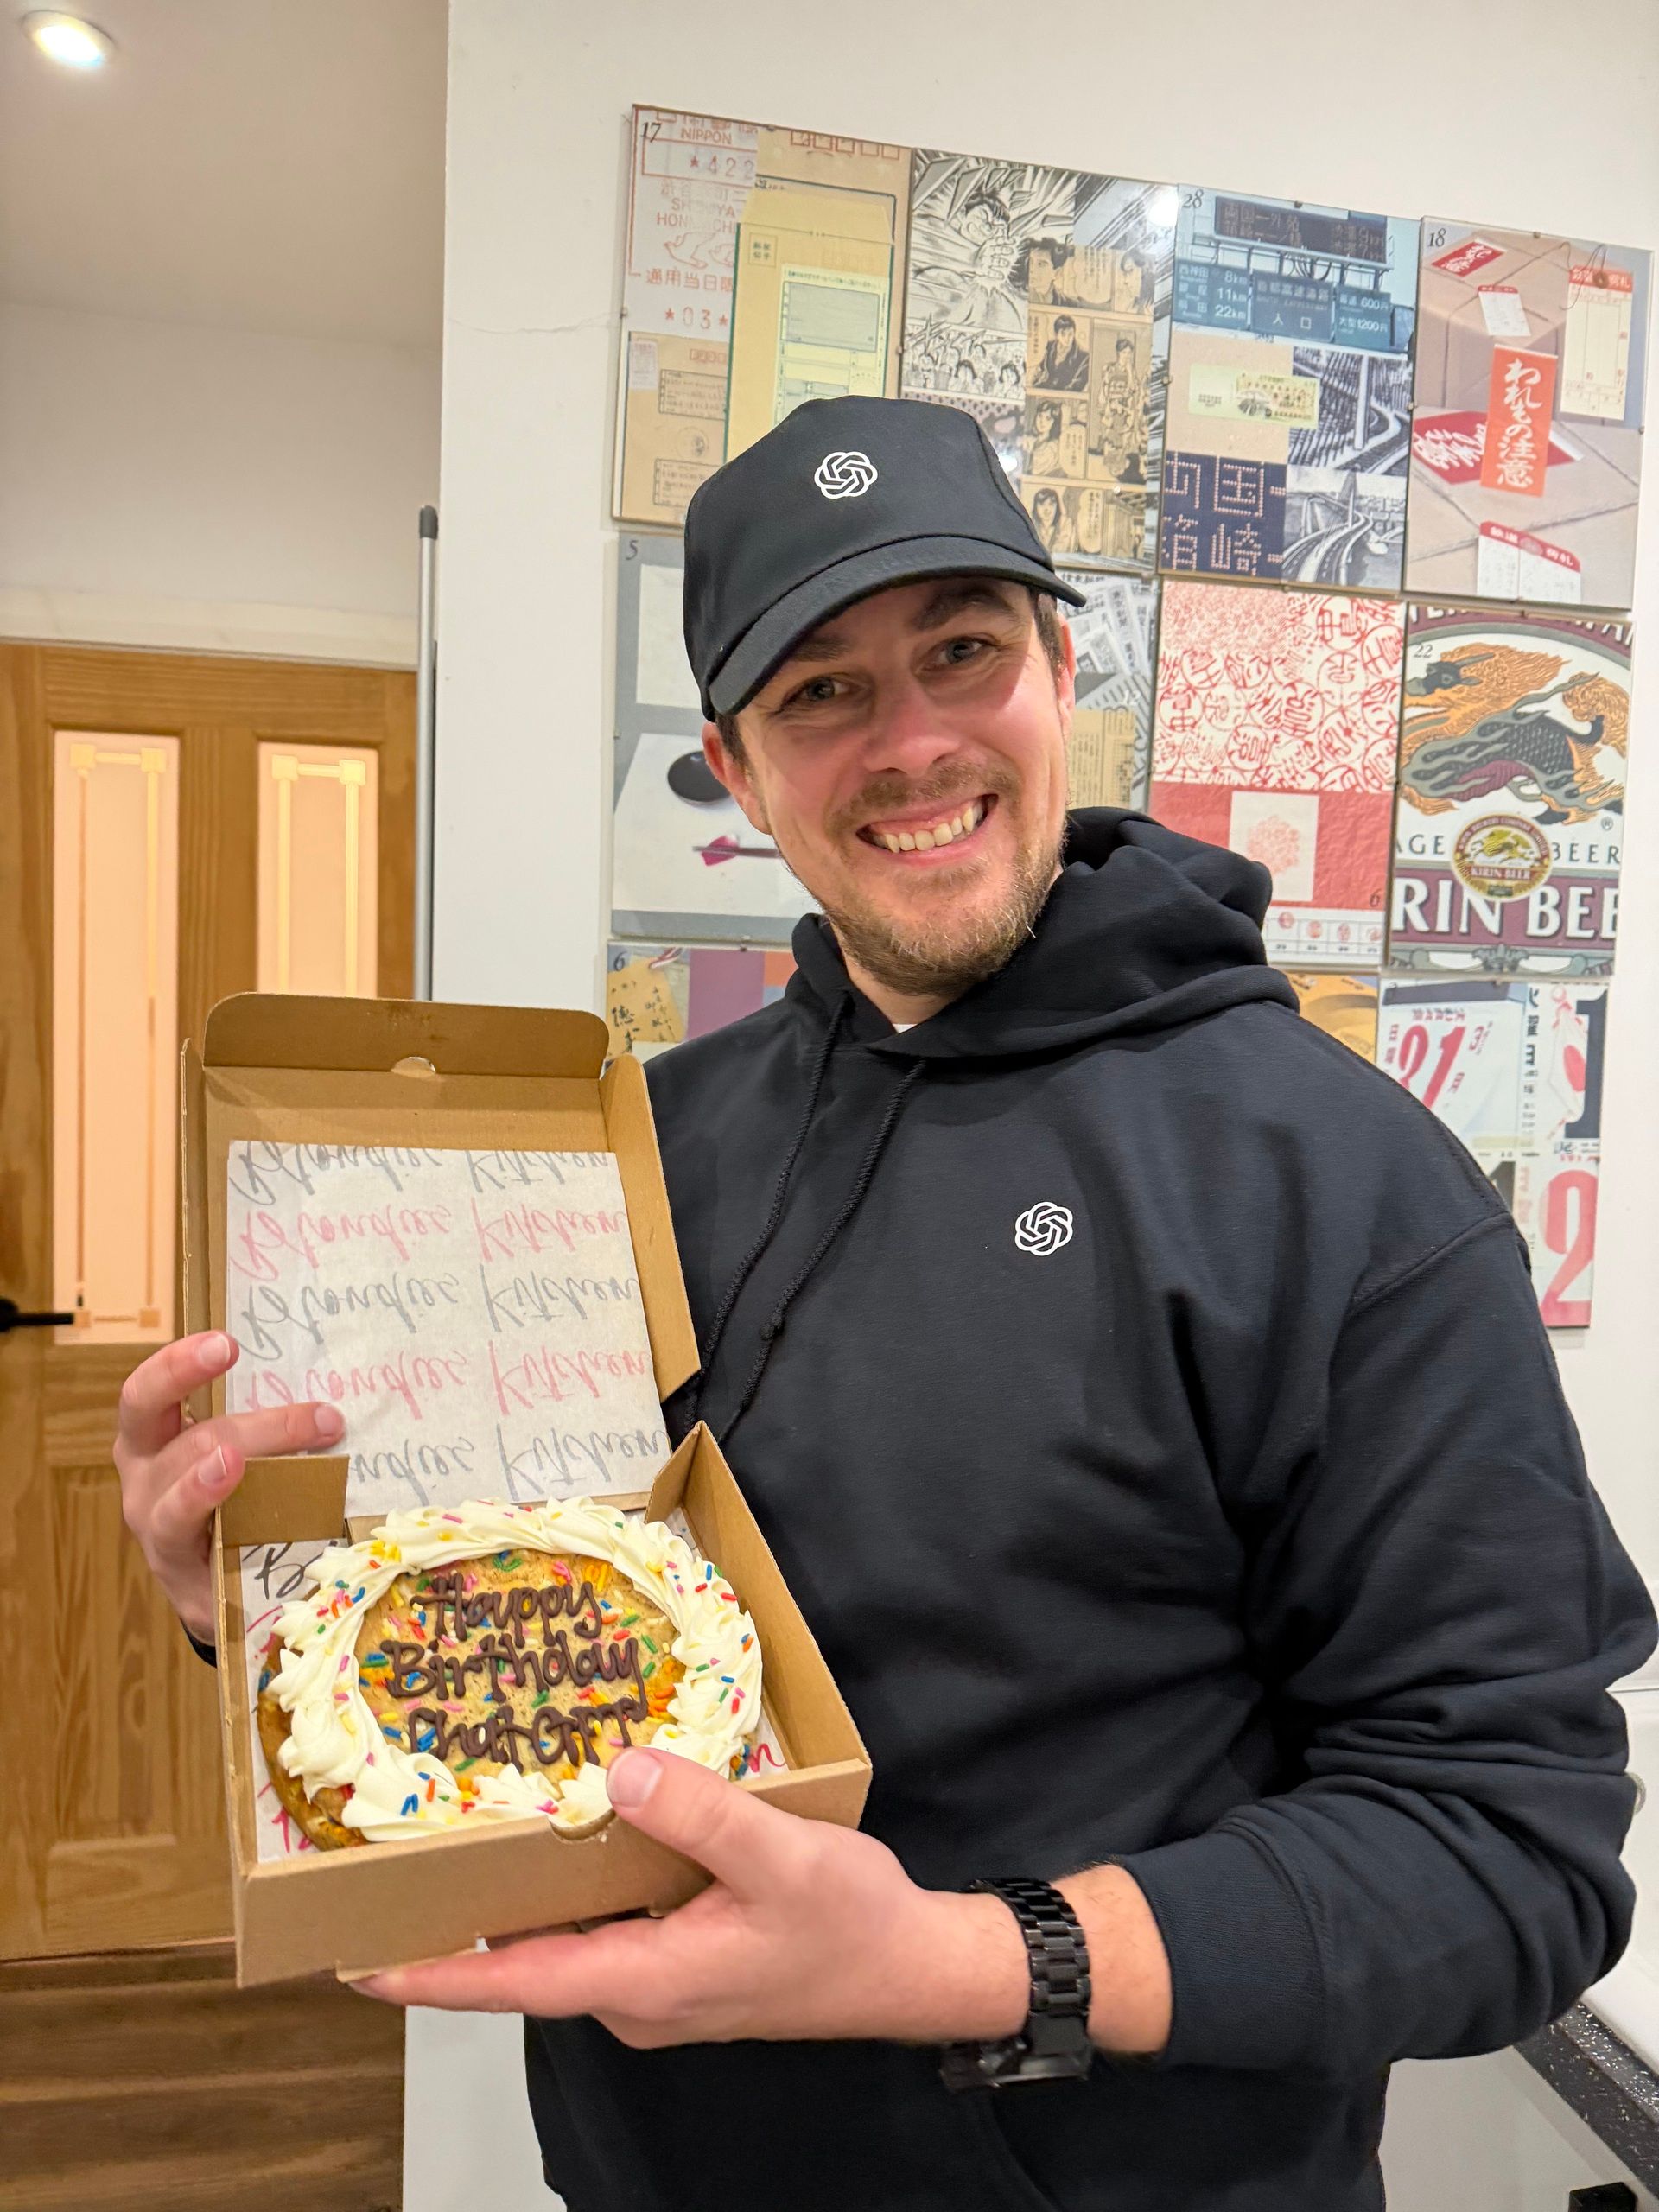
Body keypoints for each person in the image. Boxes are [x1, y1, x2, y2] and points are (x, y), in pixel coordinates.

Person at [115, 393, 1652, 2212]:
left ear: (1060, 666)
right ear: (736, 764)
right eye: (822, 689)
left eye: (963, 650)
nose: (912, 741)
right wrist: (261, 1608)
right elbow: (537, 1594)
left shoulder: (1338, 1179)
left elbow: (1508, 1852)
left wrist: (960, 1960)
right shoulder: (645, 1143)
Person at [1033, 310, 1090, 392]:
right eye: (1063, 334)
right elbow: (1040, 371)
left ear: (1074, 334)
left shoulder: (1083, 357)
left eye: (1070, 334)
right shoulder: (1049, 347)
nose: (1067, 338)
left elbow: (1078, 386)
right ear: (1056, 335)